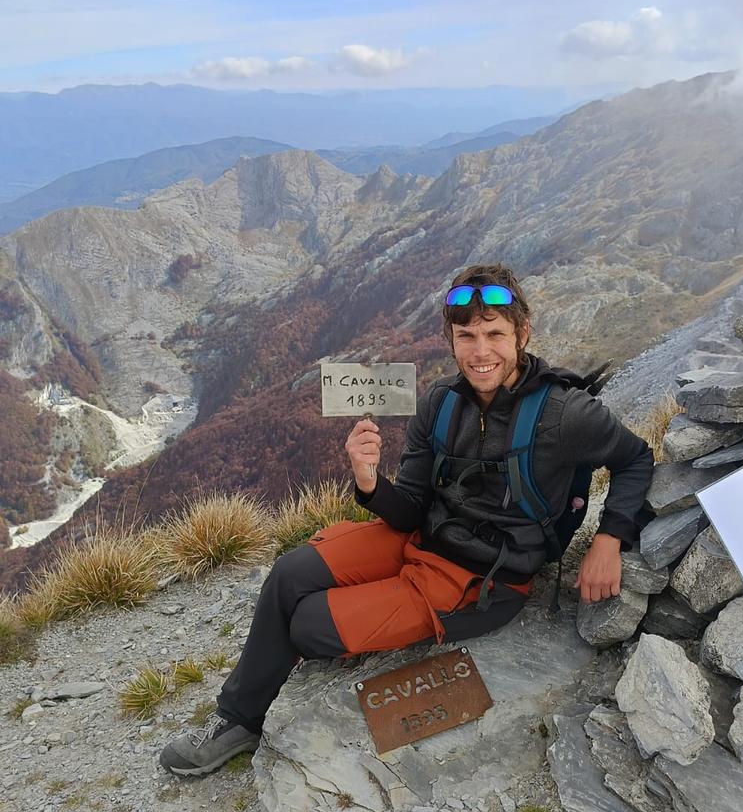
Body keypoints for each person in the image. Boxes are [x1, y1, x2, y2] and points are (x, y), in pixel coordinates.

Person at [159, 265, 654, 776]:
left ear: (522, 334)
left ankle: (283, 680)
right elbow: (412, 508)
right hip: (422, 538)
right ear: (450, 339)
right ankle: (237, 721)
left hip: (486, 579)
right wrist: (369, 481)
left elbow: (635, 458)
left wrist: (608, 539)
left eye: (494, 334)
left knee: (306, 623)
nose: (480, 351)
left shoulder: (563, 413)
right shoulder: (440, 404)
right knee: (288, 576)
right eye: (466, 336)